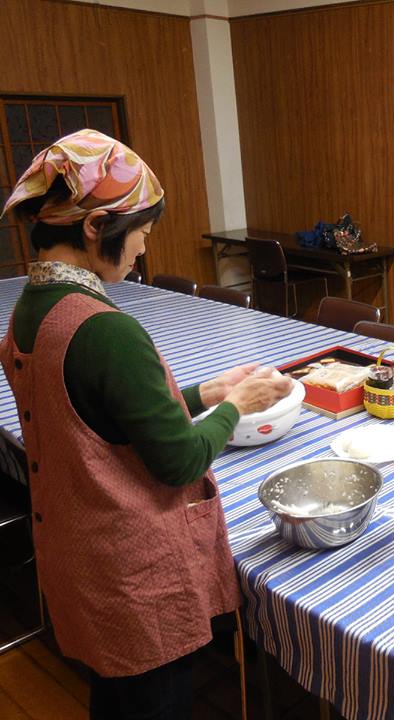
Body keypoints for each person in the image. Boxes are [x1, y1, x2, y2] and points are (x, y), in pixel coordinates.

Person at [0, 129, 292, 719]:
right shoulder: (105, 328)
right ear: (95, 225)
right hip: (134, 573)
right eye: (140, 234)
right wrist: (239, 406)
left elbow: (102, 417)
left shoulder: (31, 310)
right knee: (154, 701)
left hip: (79, 555)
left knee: (117, 696)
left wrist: (204, 391)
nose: (140, 251)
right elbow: (179, 460)